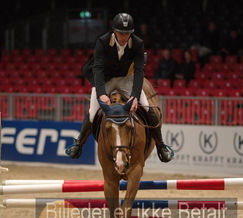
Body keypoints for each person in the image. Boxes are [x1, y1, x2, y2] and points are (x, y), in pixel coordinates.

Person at [65, 13, 174, 163]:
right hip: (105, 80)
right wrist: (102, 93)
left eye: (127, 33)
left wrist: (135, 96)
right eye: (121, 33)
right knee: (92, 113)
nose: (124, 37)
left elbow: (139, 71)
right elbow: (97, 68)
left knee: (148, 108)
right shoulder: (102, 42)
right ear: (114, 31)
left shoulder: (137, 43)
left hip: (126, 80)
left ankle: (161, 146)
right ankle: (78, 144)